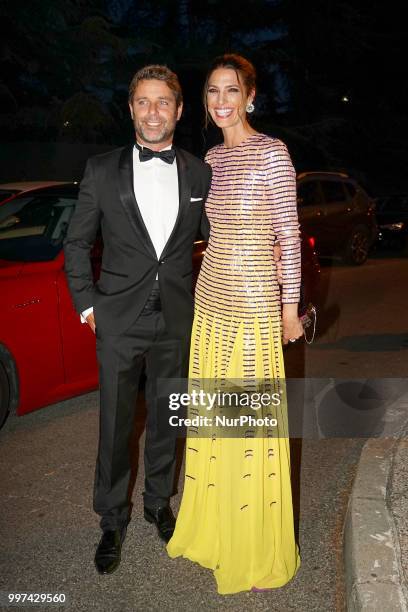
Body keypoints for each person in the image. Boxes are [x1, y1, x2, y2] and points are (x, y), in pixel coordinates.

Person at [63, 65, 212, 575]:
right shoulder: (102, 169)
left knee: (169, 418)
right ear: (131, 109)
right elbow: (77, 243)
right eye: (143, 102)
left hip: (176, 318)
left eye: (163, 102)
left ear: (178, 110)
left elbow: (218, 235)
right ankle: (111, 519)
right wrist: (88, 304)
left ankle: (157, 504)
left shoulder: (197, 171)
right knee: (115, 425)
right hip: (118, 321)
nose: (153, 112)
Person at [167, 54, 303, 594]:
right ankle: (217, 528)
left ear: (250, 96)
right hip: (212, 302)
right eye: (212, 92)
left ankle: (251, 542)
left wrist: (289, 308)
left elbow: (288, 234)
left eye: (231, 91)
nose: (221, 101)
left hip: (253, 304)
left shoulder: (273, 153)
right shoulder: (211, 160)